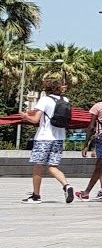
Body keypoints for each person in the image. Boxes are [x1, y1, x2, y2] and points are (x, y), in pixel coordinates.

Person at [21, 74, 74, 204]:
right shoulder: (65, 100)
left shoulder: (45, 100)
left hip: (44, 138)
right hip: (59, 138)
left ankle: (36, 196)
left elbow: (35, 119)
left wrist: (25, 116)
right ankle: (66, 186)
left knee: (38, 167)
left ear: (47, 89)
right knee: (52, 166)